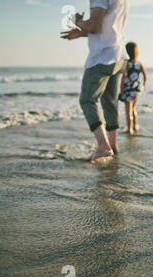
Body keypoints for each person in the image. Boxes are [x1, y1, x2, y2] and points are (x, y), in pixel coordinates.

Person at [61, 0, 129, 160]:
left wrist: (78, 21)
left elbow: (94, 26)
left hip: (102, 57)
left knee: (87, 101)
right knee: (110, 102)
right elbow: (108, 27)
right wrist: (82, 32)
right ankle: (112, 145)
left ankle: (103, 146)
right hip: (119, 55)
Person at [119, 42, 147, 135]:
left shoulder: (127, 64)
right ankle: (135, 126)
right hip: (136, 90)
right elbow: (144, 74)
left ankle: (129, 128)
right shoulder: (139, 63)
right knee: (133, 109)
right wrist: (144, 85)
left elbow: (124, 76)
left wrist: (121, 87)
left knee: (128, 111)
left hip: (128, 90)